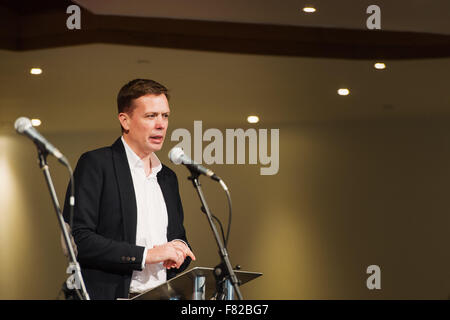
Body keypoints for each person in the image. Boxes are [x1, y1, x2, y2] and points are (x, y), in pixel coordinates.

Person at [62, 79, 195, 300]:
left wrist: (180, 248)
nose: (161, 124)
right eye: (151, 116)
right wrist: (147, 255)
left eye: (165, 116)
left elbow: (176, 236)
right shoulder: (96, 164)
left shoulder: (167, 177)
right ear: (125, 120)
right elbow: (80, 240)